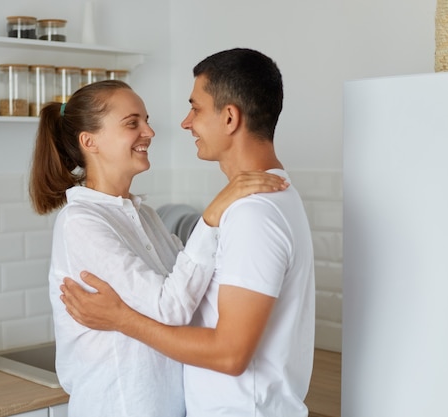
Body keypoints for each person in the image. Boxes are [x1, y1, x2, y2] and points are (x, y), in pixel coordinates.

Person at [60, 49, 316, 417]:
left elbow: (229, 354)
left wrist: (122, 319)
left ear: (229, 118)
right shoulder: (261, 201)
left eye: (195, 108)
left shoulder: (252, 213)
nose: (184, 122)